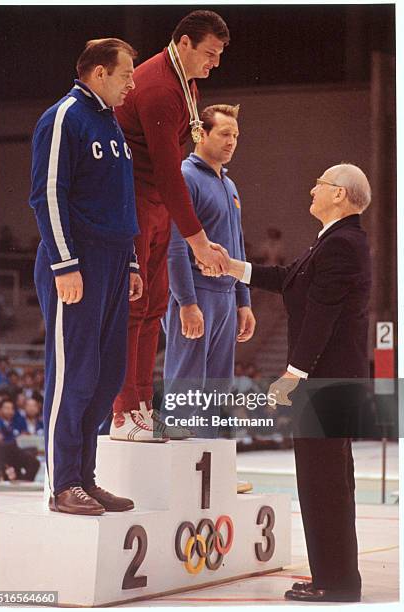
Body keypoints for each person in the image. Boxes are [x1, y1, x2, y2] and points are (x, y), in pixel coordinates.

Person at [203, 164, 371, 602]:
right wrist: (232, 267)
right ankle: (333, 578)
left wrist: (294, 373)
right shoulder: (333, 241)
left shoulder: (343, 245)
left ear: (339, 194)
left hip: (326, 383)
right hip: (331, 382)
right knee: (324, 481)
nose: (311, 188)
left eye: (319, 183)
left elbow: (322, 314)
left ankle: (336, 583)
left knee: (324, 484)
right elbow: (288, 281)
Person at [29, 38, 142, 515]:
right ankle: (63, 485)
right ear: (98, 73)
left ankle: (86, 478)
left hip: (115, 261)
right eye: (125, 74)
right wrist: (65, 263)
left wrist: (132, 260)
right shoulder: (63, 118)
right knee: (73, 375)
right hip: (78, 262)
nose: (132, 83)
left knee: (107, 374)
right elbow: (46, 196)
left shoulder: (110, 123)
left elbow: (120, 198)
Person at [111, 10, 231, 441]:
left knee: (156, 304)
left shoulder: (186, 82)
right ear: (183, 44)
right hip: (136, 202)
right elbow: (167, 170)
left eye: (219, 55)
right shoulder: (161, 87)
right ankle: (124, 412)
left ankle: (142, 404)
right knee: (135, 306)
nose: (214, 63)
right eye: (209, 53)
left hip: (157, 203)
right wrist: (197, 241)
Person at [161, 104, 255, 441]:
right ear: (201, 134)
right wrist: (186, 302)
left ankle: (211, 471)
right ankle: (183, 477)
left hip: (226, 298)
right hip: (196, 294)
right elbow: (173, 245)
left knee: (217, 389)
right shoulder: (185, 177)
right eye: (225, 134)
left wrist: (244, 301)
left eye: (236, 135)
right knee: (187, 386)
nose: (232, 141)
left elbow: (238, 245)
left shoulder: (229, 185)